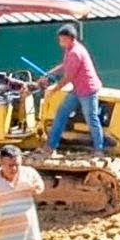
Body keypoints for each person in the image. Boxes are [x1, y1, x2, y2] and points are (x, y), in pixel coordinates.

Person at [39, 24, 104, 156]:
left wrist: (53, 90)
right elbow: (65, 65)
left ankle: (99, 150)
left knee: (91, 119)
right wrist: (49, 73)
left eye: (62, 39)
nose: (60, 42)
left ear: (70, 38)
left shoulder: (75, 53)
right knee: (61, 114)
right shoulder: (71, 49)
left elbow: (68, 77)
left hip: (87, 90)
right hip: (78, 89)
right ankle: (51, 146)